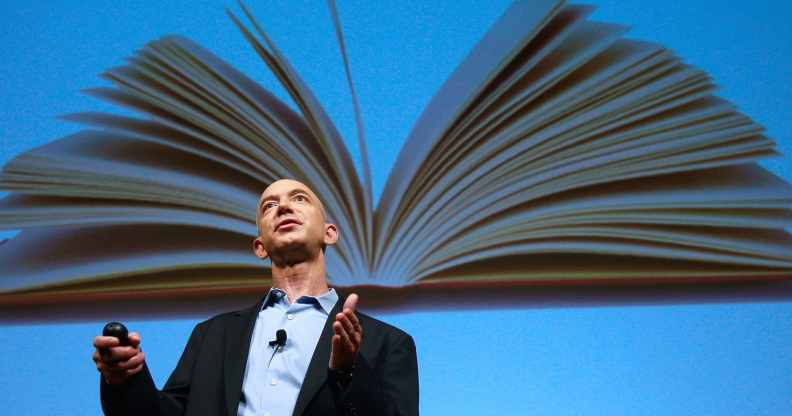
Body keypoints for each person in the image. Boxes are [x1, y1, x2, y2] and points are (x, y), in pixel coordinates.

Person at [92, 179, 419, 416]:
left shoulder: (387, 343)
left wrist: (348, 372)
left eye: (299, 198)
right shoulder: (213, 336)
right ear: (259, 246)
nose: (285, 207)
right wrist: (125, 379)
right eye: (270, 206)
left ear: (329, 233)